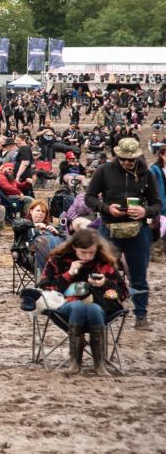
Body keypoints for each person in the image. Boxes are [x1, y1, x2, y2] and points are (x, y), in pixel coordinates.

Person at [85, 137, 161, 330]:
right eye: (123, 158)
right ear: (117, 155)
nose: (127, 162)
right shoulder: (104, 171)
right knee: (101, 271)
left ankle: (141, 316)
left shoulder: (146, 174)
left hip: (138, 230)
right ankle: (101, 312)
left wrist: (145, 211)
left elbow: (157, 203)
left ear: (137, 157)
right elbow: (89, 197)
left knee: (138, 274)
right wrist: (106, 208)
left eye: (131, 159)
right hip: (109, 227)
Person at [38, 229, 128, 376]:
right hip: (63, 306)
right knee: (79, 307)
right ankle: (75, 362)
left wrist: (105, 283)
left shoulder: (103, 262)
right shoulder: (58, 260)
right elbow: (44, 288)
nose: (88, 257)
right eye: (83, 252)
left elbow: (123, 292)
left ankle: (99, 364)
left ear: (97, 248)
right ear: (74, 247)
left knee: (93, 309)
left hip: (99, 307)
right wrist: (68, 274)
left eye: (91, 253)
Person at [12, 199, 65, 273]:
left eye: (43, 212)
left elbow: (66, 238)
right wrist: (35, 225)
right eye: (38, 210)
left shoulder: (51, 226)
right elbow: (16, 225)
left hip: (54, 255)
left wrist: (56, 233)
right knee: (42, 240)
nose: (40, 213)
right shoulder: (23, 223)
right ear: (31, 211)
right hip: (31, 256)